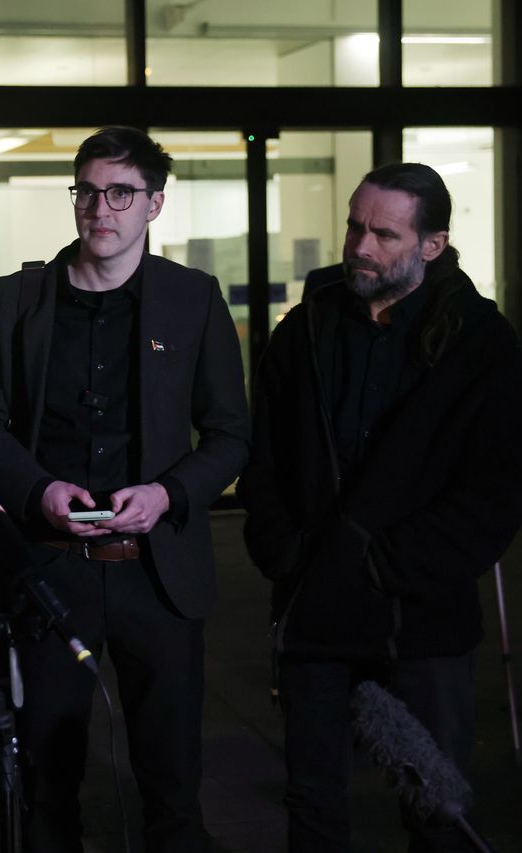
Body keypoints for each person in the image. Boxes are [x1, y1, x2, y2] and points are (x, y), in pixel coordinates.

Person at [0, 126, 249, 852]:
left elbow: (229, 435)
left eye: (121, 193)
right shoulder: (10, 301)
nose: (100, 208)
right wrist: (36, 490)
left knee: (173, 784)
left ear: (154, 204)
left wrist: (170, 494)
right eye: (87, 191)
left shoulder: (194, 299)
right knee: (46, 788)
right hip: (50, 570)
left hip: (159, 573)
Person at [238, 162, 522, 852]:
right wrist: (288, 552)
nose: (361, 245)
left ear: (433, 244)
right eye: (355, 226)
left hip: (420, 620)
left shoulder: (481, 343)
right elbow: (264, 458)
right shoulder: (305, 330)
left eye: (385, 234)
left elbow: (495, 491)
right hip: (313, 611)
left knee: (435, 810)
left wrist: (382, 563)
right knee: (312, 806)